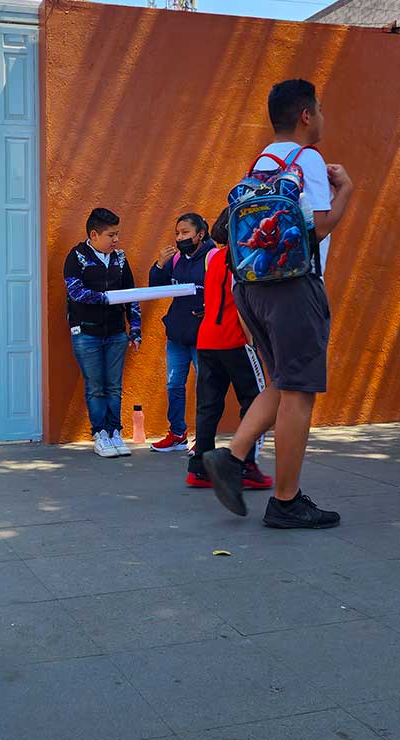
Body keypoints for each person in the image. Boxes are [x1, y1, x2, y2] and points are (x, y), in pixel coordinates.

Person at [202, 78, 354, 529]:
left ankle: (230, 457)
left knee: (283, 382)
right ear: (306, 115)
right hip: (293, 285)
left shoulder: (262, 161)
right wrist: (346, 190)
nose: (323, 117)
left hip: (251, 288)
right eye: (320, 109)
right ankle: (286, 501)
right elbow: (320, 227)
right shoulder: (309, 159)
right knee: (300, 392)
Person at [185, 207, 272, 491]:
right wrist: (255, 342)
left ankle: (199, 469)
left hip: (207, 338)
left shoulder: (213, 257)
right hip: (234, 339)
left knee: (208, 406)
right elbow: (243, 306)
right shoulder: (244, 259)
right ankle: (246, 464)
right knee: (256, 401)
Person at [63, 208, 140, 458]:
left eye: (117, 234)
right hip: (86, 334)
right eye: (111, 235)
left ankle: (115, 431)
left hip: (117, 333)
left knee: (114, 386)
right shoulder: (76, 257)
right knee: (96, 386)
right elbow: (76, 292)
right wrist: (106, 299)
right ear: (94, 234)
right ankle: (100, 434)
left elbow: (131, 293)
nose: (116, 239)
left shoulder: (120, 258)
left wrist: (135, 329)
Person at [147, 213, 211, 453]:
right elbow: (155, 289)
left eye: (185, 232)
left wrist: (209, 308)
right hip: (177, 335)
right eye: (177, 233)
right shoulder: (176, 260)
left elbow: (225, 289)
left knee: (205, 387)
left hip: (202, 335)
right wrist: (160, 264)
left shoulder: (212, 257)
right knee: (174, 385)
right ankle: (177, 434)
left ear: (200, 234)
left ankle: (204, 438)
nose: (180, 237)